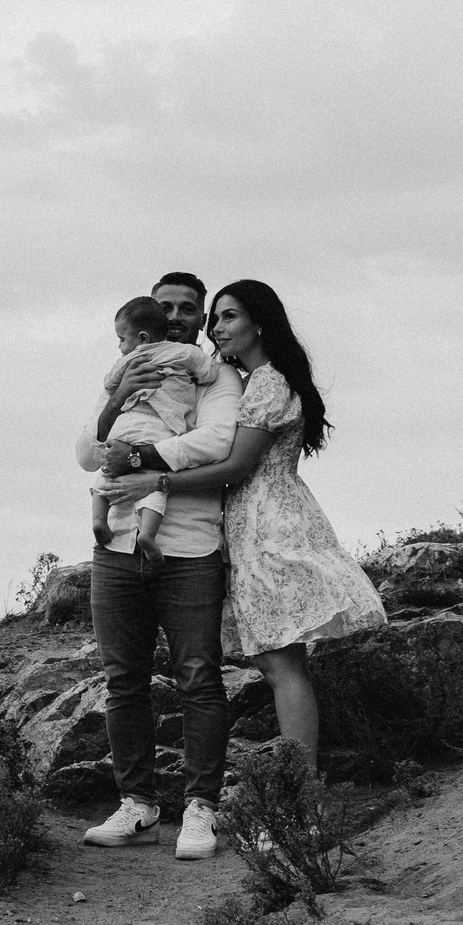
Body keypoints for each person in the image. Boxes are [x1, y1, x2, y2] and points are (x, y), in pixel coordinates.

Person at [96, 278, 383, 784]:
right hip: (249, 526)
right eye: (216, 319)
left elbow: (236, 466)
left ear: (260, 323)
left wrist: (156, 476)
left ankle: (301, 794)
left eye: (227, 317)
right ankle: (298, 789)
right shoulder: (244, 379)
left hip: (270, 526)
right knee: (277, 664)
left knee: (282, 665)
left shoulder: (269, 383)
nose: (215, 328)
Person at [75, 272, 240, 861]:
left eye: (188, 309)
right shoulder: (131, 366)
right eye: (165, 305)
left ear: (200, 318)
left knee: (198, 675)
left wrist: (144, 458)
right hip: (116, 545)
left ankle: (201, 808)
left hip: (191, 546)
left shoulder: (214, 373)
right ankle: (139, 806)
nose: (175, 316)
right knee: (124, 682)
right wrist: (122, 402)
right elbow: (85, 452)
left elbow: (218, 442)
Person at [92, 295, 222, 560]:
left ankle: (99, 520)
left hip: (125, 424)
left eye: (121, 340)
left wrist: (120, 387)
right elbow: (209, 372)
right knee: (152, 485)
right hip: (161, 428)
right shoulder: (186, 353)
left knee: (105, 471)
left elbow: (109, 382)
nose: (120, 346)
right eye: (166, 309)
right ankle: (148, 534)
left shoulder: (129, 361)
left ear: (141, 338)